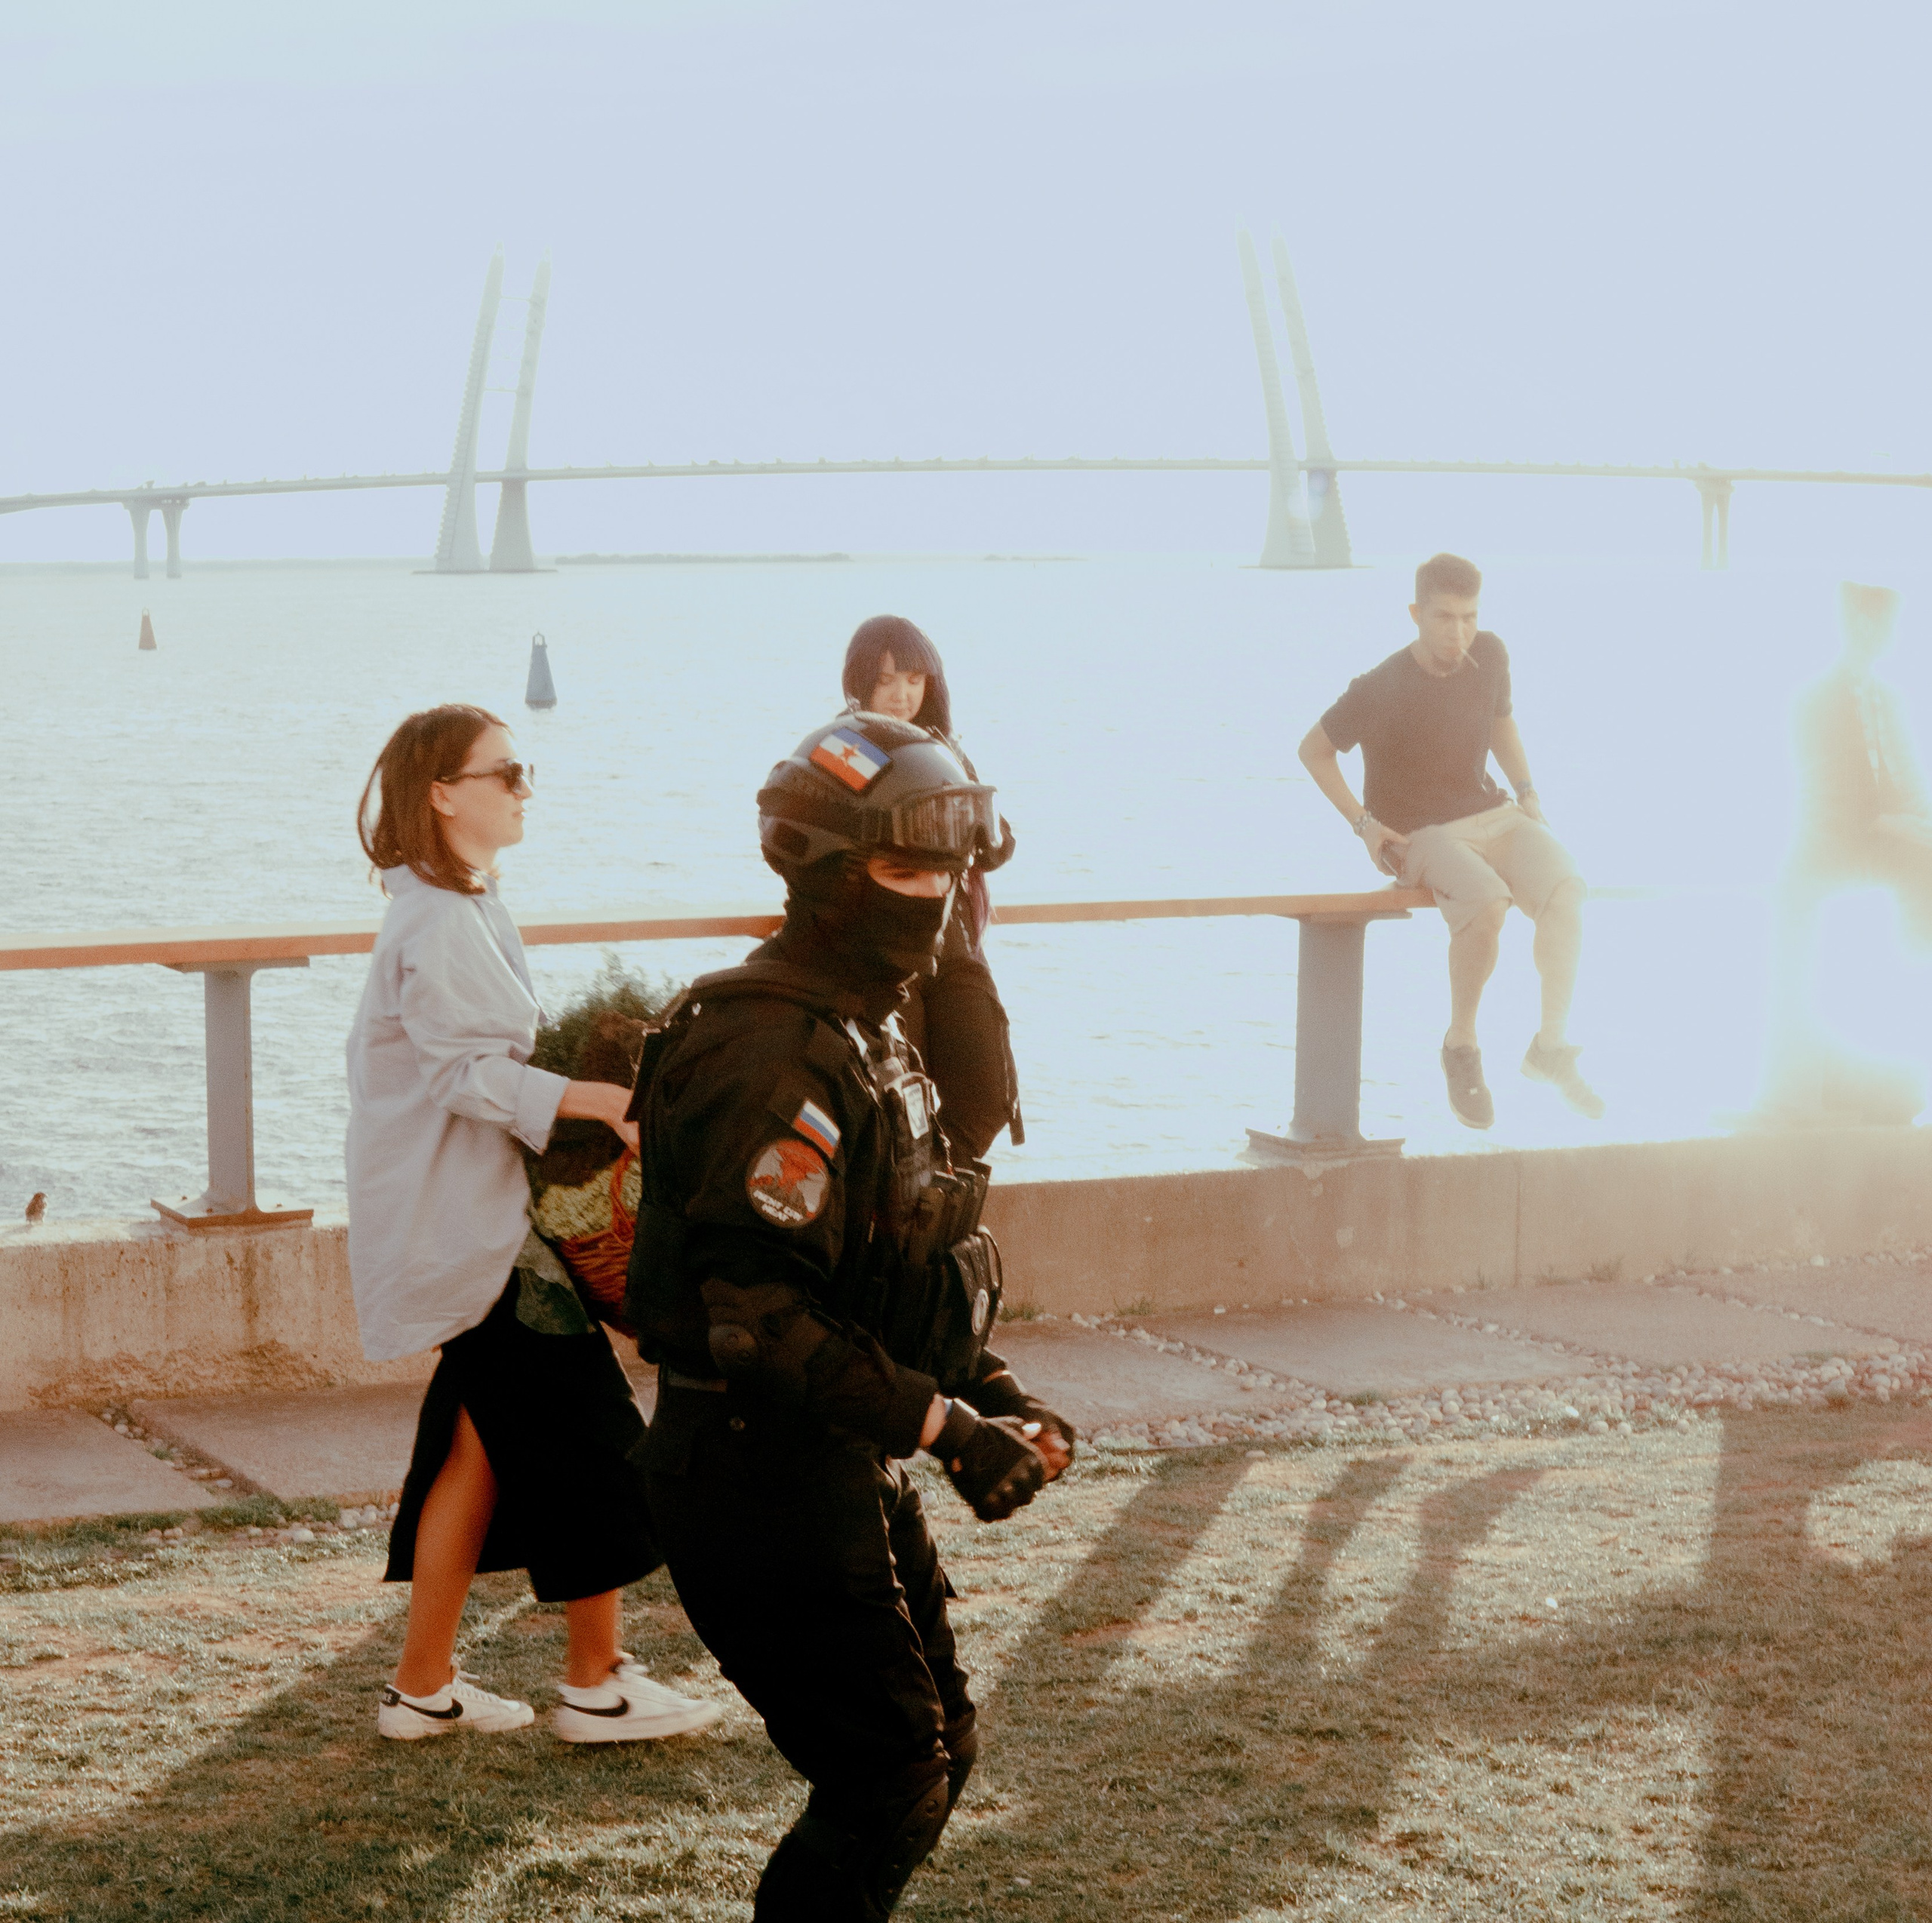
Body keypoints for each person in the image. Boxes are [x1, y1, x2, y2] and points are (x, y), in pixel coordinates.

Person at [626, 712, 1077, 1920]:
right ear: (820, 867)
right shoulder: (772, 1051)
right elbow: (756, 1319)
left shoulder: (865, 1033)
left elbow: (877, 1276)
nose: (934, 895)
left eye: (951, 868)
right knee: (889, 1776)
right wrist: (941, 1427)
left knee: (934, 1759)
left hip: (828, 1456)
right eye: (903, 866)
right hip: (746, 1469)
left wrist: (986, 1394)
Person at [346, 703, 719, 1746]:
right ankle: (595, 1684)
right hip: (480, 1240)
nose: (523, 786)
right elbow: (468, 1074)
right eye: (504, 770)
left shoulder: (452, 903)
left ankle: (423, 1687)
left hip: (466, 1228)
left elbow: (473, 1066)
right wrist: (605, 1102)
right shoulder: (438, 921)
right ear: (442, 793)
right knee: (597, 1443)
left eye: (524, 769)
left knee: (476, 1450)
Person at [1297, 552, 1601, 1129]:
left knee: (1568, 888)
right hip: (1419, 834)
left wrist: (1528, 791)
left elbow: (1500, 721)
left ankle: (1550, 1049)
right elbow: (1313, 750)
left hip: (1492, 813)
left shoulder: (1490, 654)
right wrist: (1363, 825)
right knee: (1488, 903)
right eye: (1444, 617)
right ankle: (1461, 1045)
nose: (1459, 632)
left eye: (1469, 617)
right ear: (1416, 613)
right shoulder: (1380, 686)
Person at [841, 614, 1022, 1159]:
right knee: (898, 1101)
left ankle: (931, 1203)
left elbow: (998, 846)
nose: (901, 696)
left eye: (914, 680)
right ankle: (913, 1215)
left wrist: (968, 817)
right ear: (860, 683)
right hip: (882, 947)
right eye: (887, 680)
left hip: (952, 941)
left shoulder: (946, 752)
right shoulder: (843, 749)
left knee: (987, 1097)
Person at [1758, 583, 1932, 1121]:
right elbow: (1826, 789)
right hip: (1837, 838)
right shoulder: (1814, 701)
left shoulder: (1892, 700)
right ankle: (1797, 1088)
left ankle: (1893, 1066)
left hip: (1889, 838)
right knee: (1797, 898)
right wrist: (1890, 820)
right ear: (1858, 620)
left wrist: (1917, 821)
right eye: (1883, 619)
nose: (1891, 632)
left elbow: (1908, 779)